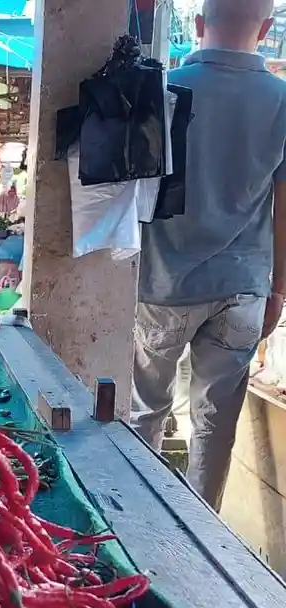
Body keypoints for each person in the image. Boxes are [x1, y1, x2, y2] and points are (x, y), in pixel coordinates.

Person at [130, 0, 286, 509]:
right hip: (242, 288)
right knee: (214, 429)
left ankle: (137, 528)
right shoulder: (282, 101)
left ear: (198, 26)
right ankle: (203, 543)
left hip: (161, 284)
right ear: (265, 29)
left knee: (145, 413)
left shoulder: (163, 88)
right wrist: (279, 289)